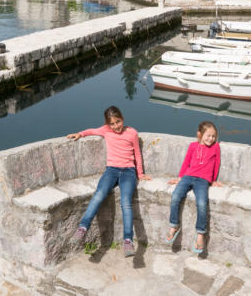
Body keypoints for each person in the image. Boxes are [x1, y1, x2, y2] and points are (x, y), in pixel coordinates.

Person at [67, 105, 151, 257]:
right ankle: (82, 228)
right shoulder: (106, 130)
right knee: (99, 194)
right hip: (111, 170)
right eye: (112, 124)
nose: (116, 126)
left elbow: (137, 155)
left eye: (117, 122)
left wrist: (141, 173)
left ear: (122, 119)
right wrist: (80, 134)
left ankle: (127, 240)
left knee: (126, 202)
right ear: (108, 124)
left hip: (128, 171)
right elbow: (91, 131)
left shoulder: (132, 133)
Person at [165, 121, 222, 254]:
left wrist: (213, 180)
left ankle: (200, 234)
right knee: (175, 196)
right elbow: (186, 163)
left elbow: (217, 163)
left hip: (203, 181)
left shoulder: (215, 147)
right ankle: (174, 225)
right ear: (200, 135)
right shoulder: (193, 146)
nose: (211, 139)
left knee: (202, 203)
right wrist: (180, 178)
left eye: (213, 136)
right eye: (208, 135)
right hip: (188, 177)